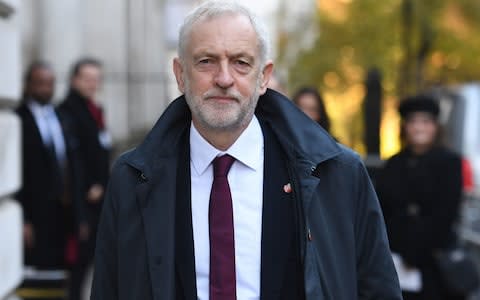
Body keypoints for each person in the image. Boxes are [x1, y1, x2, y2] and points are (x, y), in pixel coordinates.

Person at [91, 2, 401, 299]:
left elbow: (378, 289)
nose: (224, 79)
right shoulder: (131, 180)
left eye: (241, 62)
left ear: (263, 77)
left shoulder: (338, 174)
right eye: (206, 61)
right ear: (181, 74)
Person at [376, 95, 464, 300]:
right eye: (413, 122)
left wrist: (416, 250)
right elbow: (383, 209)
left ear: (435, 126)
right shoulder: (393, 164)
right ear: (405, 126)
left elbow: (446, 212)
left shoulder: (449, 162)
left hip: (434, 260)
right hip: (397, 259)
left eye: (425, 122)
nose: (419, 128)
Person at [15, 61, 81, 271]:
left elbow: (71, 165)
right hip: (35, 214)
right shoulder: (17, 119)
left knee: (62, 274)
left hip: (63, 213)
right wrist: (23, 218)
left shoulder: (61, 116)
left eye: (50, 83)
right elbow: (14, 173)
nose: (46, 88)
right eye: (40, 83)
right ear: (28, 85)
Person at [59, 57, 111, 300]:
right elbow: (73, 160)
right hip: (79, 202)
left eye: (96, 79)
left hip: (98, 199)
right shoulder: (66, 112)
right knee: (77, 262)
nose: (92, 84)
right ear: (74, 80)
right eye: (87, 79)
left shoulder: (95, 110)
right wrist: (92, 185)